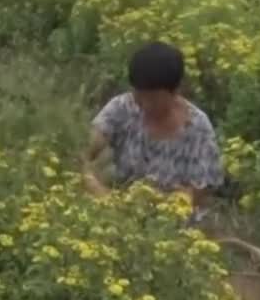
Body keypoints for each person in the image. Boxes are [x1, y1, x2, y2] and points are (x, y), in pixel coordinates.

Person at [83, 41, 224, 220]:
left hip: (172, 223)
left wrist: (156, 207)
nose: (143, 103)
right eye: (138, 94)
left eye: (152, 98)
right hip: (120, 213)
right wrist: (96, 188)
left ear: (175, 91)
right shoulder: (123, 108)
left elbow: (198, 195)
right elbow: (85, 149)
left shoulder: (197, 127)